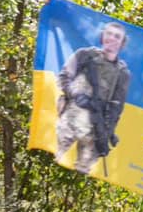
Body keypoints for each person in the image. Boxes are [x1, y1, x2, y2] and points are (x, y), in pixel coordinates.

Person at [55, 22, 131, 174]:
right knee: (54, 156)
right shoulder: (85, 55)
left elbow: (116, 108)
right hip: (70, 120)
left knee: (82, 172)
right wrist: (75, 94)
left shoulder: (122, 73)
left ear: (122, 43)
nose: (112, 38)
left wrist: (107, 133)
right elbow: (64, 77)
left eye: (117, 36)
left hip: (94, 127)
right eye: (109, 33)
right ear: (102, 36)